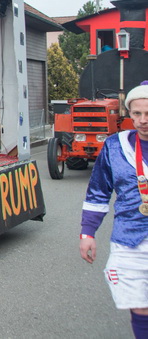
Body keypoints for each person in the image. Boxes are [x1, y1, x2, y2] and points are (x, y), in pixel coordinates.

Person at [80, 81, 148, 338]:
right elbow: (98, 191)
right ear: (129, 113)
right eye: (137, 113)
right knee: (140, 307)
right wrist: (87, 233)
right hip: (129, 241)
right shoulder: (115, 146)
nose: (142, 120)